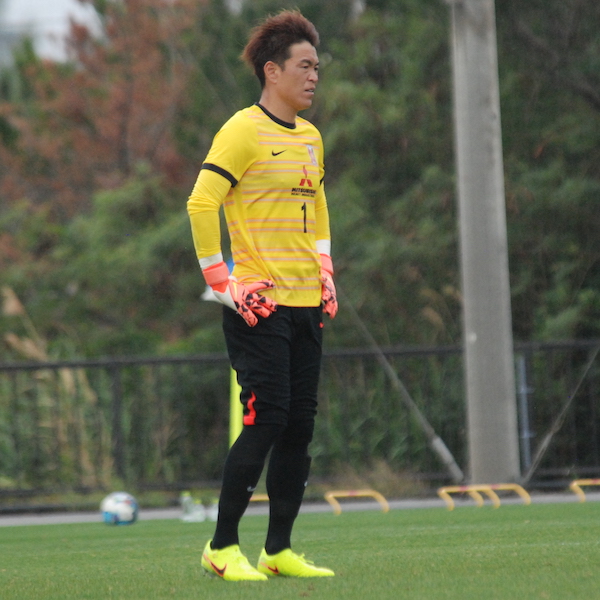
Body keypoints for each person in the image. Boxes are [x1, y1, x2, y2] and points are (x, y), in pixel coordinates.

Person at [187, 9, 338, 582]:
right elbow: (201, 203)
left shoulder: (311, 138)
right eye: (304, 66)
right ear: (272, 71)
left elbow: (317, 207)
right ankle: (222, 547)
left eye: (317, 67)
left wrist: (325, 269)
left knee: (299, 426)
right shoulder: (241, 131)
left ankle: (278, 551)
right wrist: (220, 283)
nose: (314, 76)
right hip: (260, 306)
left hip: (306, 302)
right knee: (266, 419)